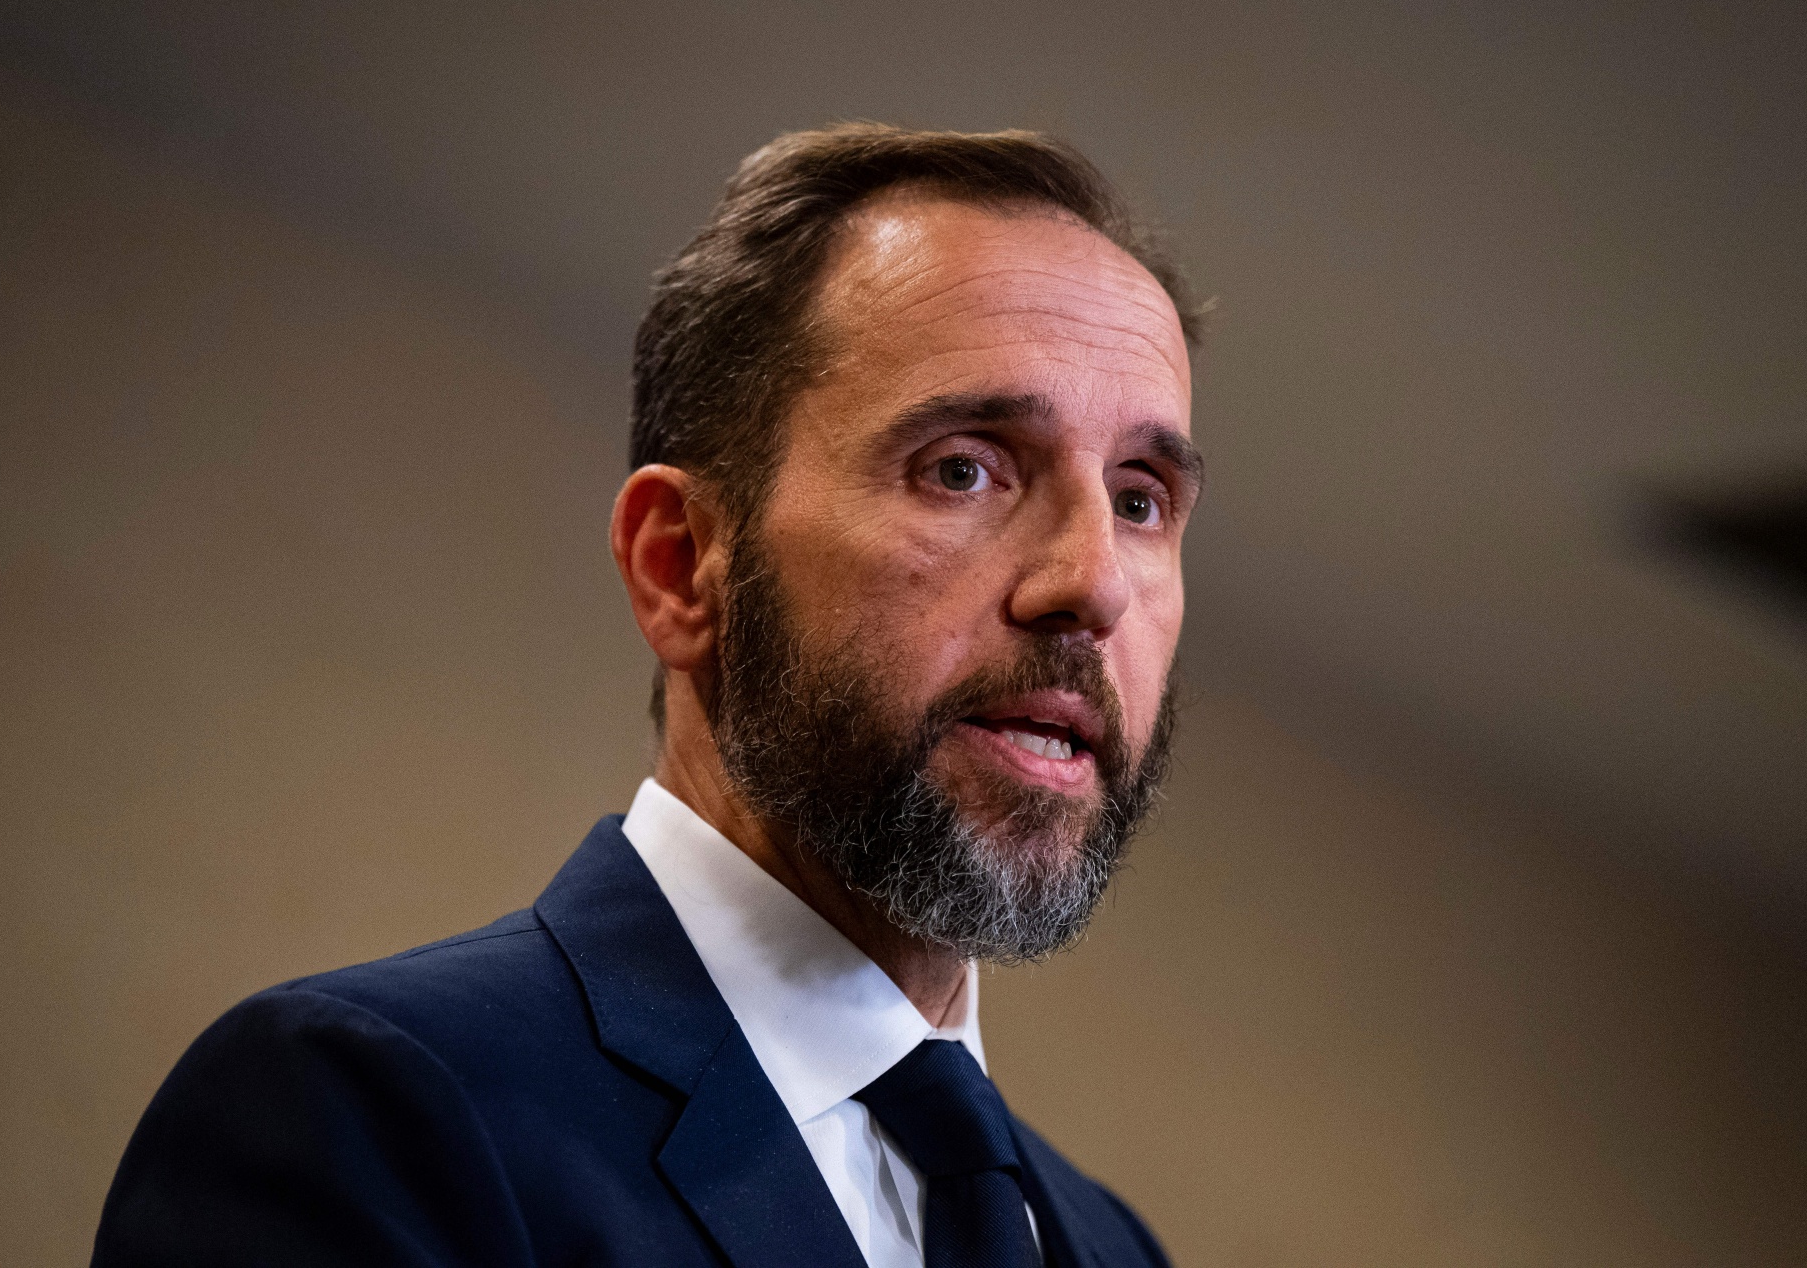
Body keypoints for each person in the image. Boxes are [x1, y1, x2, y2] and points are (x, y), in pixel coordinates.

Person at [92, 122, 1206, 1268]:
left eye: (1139, 499)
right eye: (962, 469)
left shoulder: (1115, 1249)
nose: (1092, 585)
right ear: (680, 565)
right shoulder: (365, 1116)